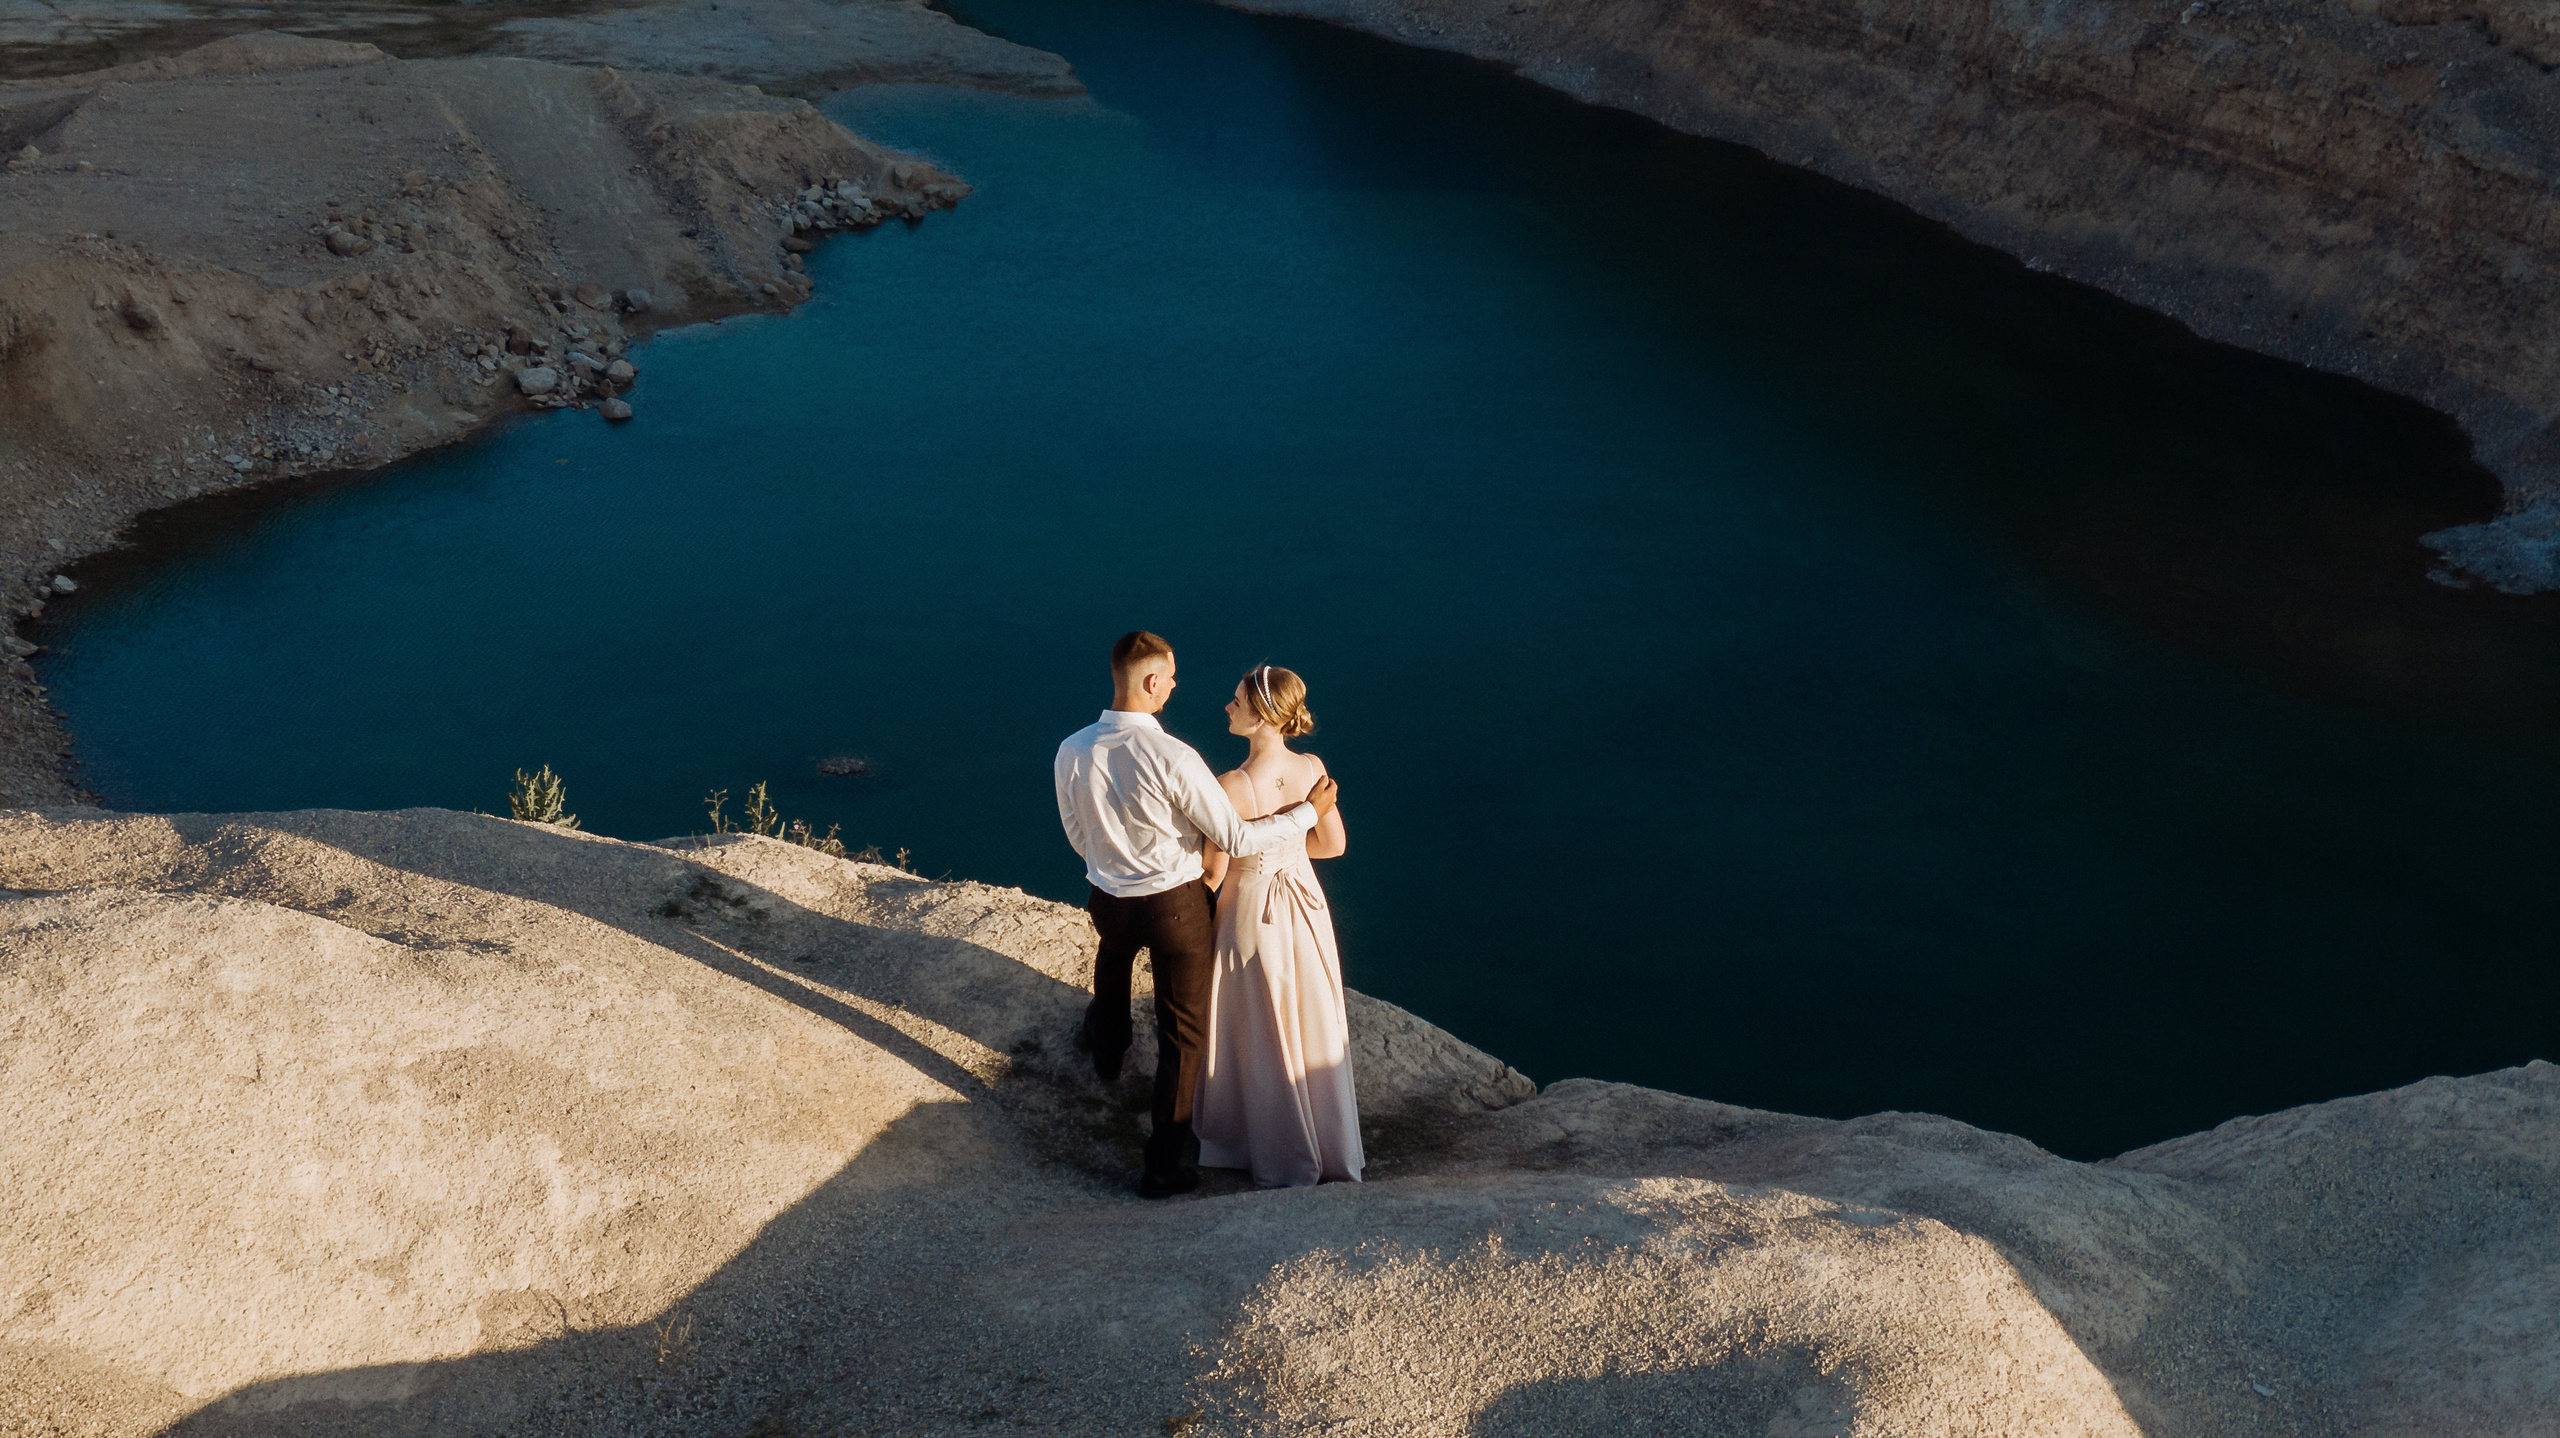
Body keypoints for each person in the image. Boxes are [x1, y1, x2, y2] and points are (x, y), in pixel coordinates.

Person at [1055, 631, 1340, 1198]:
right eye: (1173, 677)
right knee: (1181, 1034)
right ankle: (1162, 1167)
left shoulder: (1072, 748)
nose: (1178, 686)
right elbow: (1232, 835)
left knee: (1111, 961)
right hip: (1175, 906)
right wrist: (1307, 811)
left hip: (1110, 897)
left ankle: (1107, 1047)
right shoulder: (1175, 756)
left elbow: (1075, 831)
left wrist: (1111, 866)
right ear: (1154, 682)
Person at [1195, 664, 1361, 1188]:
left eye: (1237, 700)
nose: (1227, 706)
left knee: (1258, 1025)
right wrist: (1291, 845)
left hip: (1250, 906)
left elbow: (1213, 872)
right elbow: (1332, 845)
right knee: (1310, 1015)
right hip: (1306, 903)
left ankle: (1263, 1145)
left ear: (1264, 713)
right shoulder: (1313, 766)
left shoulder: (1231, 787)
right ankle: (1328, 1143)